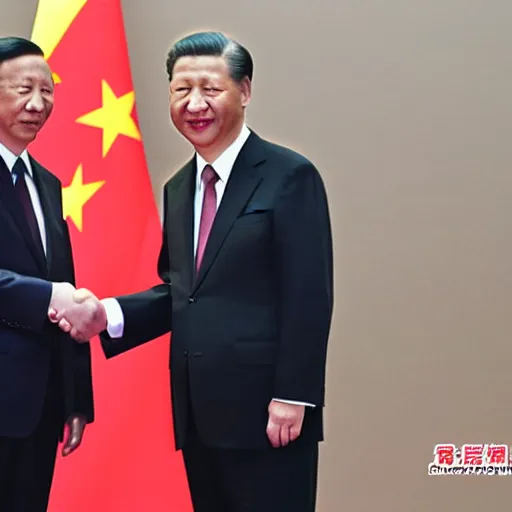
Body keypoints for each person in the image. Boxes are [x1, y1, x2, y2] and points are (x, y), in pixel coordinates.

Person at [56, 31, 333, 512]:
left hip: (269, 413)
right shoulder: (180, 187)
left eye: (210, 88)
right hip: (199, 413)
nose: (194, 103)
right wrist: (107, 315)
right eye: (181, 90)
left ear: (244, 91)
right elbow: (184, 292)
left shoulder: (289, 175)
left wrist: (294, 395)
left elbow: (308, 293)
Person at [0, 36, 106, 512]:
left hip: (36, 405)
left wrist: (74, 396)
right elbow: (54, 295)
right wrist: (45, 297)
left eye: (48, 92)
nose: (38, 104)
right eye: (24, 89)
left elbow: (66, 282)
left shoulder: (47, 183)